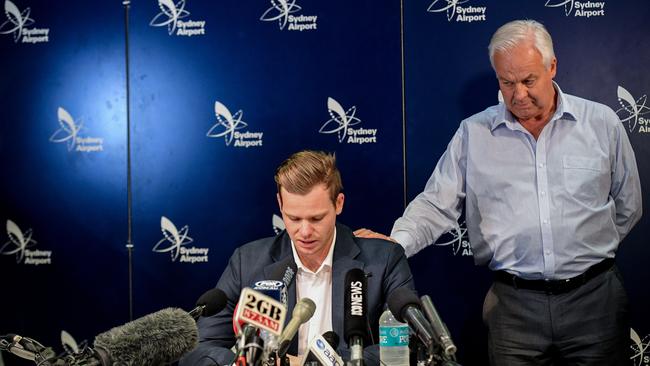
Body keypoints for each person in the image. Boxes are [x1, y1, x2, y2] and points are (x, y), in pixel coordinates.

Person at [355, 19, 642, 365]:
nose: (518, 94)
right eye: (507, 82)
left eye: (528, 80)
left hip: (596, 301)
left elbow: (628, 205)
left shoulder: (602, 123)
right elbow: (436, 204)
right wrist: (397, 243)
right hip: (513, 307)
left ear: (552, 66)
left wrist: (589, 253)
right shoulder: (474, 134)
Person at [180, 150, 414, 366]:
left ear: (338, 204)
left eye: (316, 219)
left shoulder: (384, 259)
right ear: (280, 204)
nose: (304, 232)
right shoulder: (247, 262)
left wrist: (319, 363)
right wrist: (253, 361)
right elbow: (200, 348)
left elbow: (408, 344)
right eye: (293, 218)